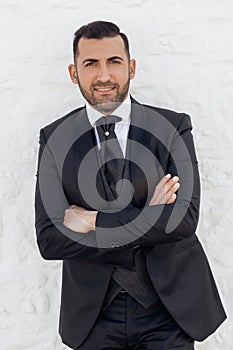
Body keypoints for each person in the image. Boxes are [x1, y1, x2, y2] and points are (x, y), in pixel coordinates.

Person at [35, 21, 226, 350]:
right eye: (91, 64)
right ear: (73, 72)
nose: (104, 76)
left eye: (114, 62)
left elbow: (184, 219)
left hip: (169, 310)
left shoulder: (172, 127)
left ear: (131, 67)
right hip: (93, 316)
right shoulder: (54, 139)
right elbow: (50, 240)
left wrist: (94, 221)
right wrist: (149, 217)